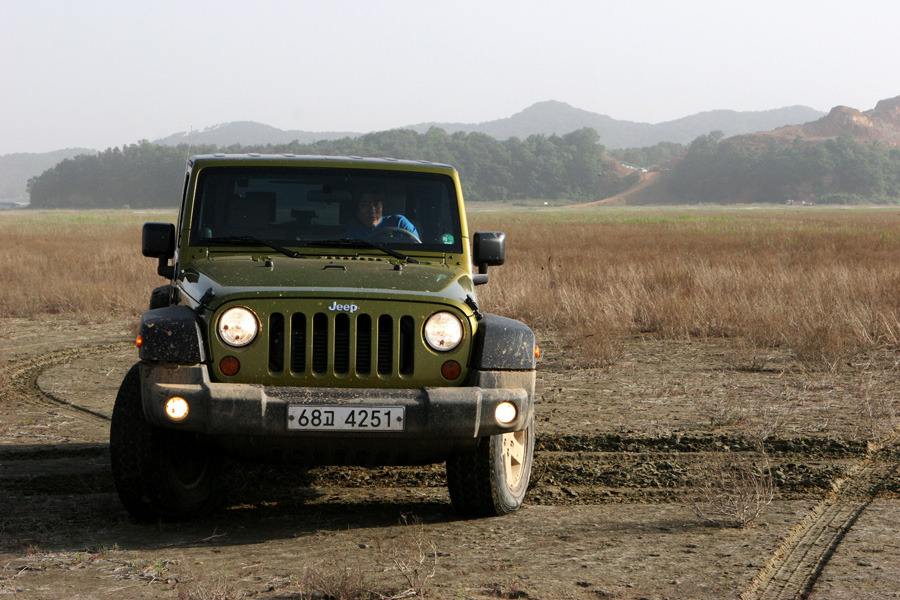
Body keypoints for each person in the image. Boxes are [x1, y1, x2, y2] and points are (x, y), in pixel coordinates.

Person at [344, 190, 420, 241]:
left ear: (383, 206)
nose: (372, 209)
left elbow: (416, 250)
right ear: (357, 209)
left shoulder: (399, 223)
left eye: (376, 204)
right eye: (365, 205)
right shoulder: (350, 235)